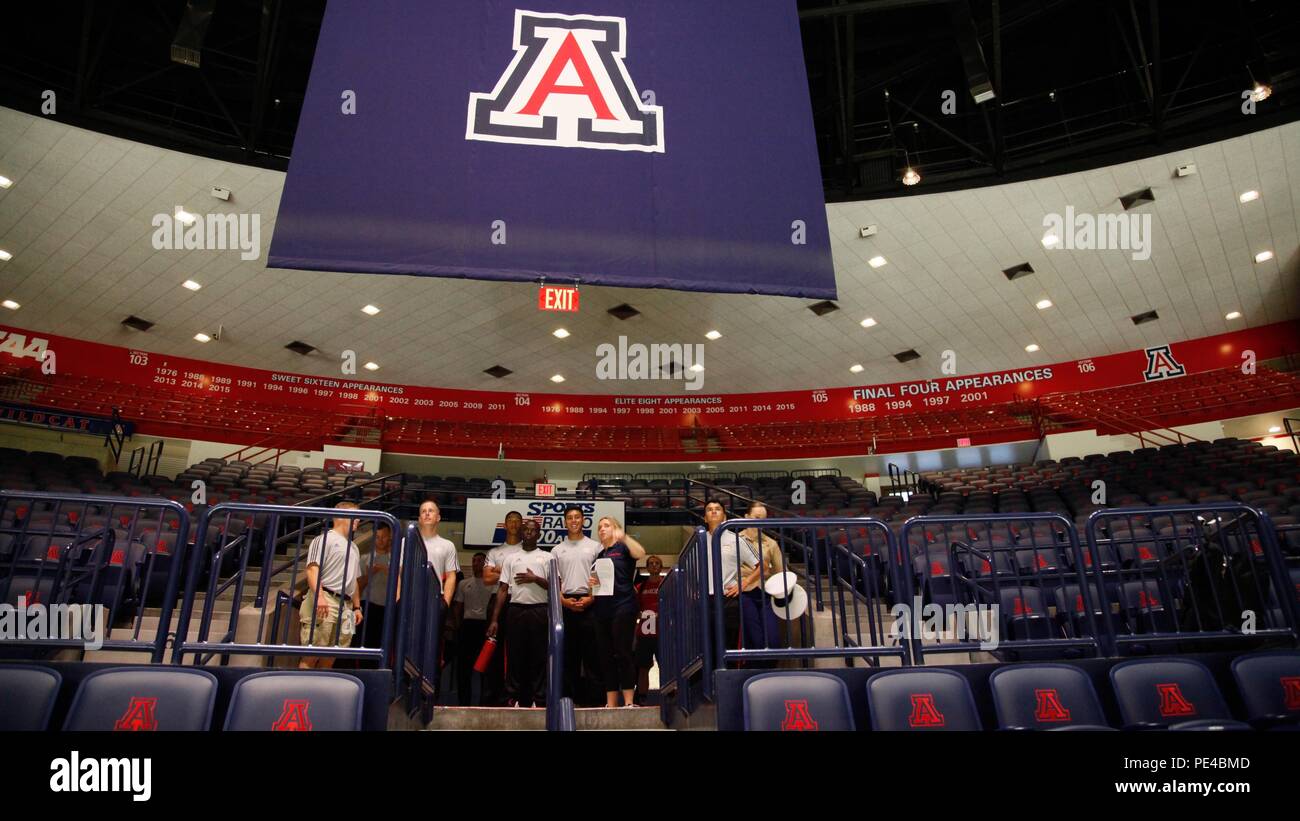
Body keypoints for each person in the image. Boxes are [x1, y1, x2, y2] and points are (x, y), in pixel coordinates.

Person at [487, 519, 553, 708]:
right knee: (515, 657)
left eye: (533, 530)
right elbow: (502, 589)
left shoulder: (547, 558)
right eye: (526, 530)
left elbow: (554, 587)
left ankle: (538, 699)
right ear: (522, 533)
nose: (529, 533)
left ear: (539, 534)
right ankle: (514, 698)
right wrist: (494, 619)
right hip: (516, 610)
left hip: (540, 610)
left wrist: (535, 579)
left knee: (539, 657)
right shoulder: (511, 558)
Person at [590, 515, 646, 707]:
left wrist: (625, 537)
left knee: (622, 653)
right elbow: (598, 584)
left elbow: (641, 553)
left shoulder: (623, 548)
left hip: (623, 606)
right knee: (605, 656)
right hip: (601, 609)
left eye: (607, 525)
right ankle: (611, 702)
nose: (602, 529)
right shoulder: (599, 556)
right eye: (600, 527)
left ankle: (629, 701)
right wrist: (593, 583)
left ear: (616, 529)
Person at [300, 502, 364, 669]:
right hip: (327, 599)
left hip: (347, 605)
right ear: (341, 516)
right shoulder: (323, 540)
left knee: (333, 655)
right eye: (354, 515)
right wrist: (320, 596)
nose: (358, 519)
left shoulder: (354, 547)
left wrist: (357, 607)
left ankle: (321, 692)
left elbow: (354, 580)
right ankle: (303, 691)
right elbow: (312, 570)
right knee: (312, 653)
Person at [551, 504, 601, 706]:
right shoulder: (556, 550)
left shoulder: (595, 547)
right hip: (566, 603)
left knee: (592, 655)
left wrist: (592, 598)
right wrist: (563, 601)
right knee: (569, 656)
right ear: (565, 522)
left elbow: (601, 577)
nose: (573, 520)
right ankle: (569, 700)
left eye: (577, 517)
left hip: (590, 602)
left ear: (583, 520)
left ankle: (594, 701)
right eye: (570, 517)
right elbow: (555, 581)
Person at [482, 510, 524, 705]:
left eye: (517, 521)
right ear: (505, 525)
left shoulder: (528, 550)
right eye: (510, 520)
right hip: (496, 602)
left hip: (518, 602)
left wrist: (499, 570)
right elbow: (487, 578)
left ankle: (514, 696)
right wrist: (509, 571)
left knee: (517, 649)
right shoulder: (494, 552)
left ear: (522, 525)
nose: (514, 524)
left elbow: (523, 577)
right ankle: (492, 696)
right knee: (494, 649)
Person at [702, 498, 751, 651]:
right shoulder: (699, 540)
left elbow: (761, 566)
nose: (713, 511)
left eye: (717, 508)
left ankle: (728, 674)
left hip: (728, 598)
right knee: (706, 645)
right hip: (704, 599)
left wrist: (743, 584)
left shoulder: (736, 540)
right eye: (709, 509)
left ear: (725, 517)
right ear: (705, 517)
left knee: (728, 643)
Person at [739, 502, 784, 662]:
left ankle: (769, 672)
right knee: (754, 638)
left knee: (773, 640)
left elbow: (781, 573)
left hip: (766, 595)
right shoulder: (735, 541)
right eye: (756, 517)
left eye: (763, 519)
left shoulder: (771, 543)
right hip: (744, 594)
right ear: (746, 517)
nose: (760, 522)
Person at [451, 552, 493, 705]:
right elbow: (457, 607)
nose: (476, 563)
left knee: (486, 667)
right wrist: (458, 626)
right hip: (467, 626)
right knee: (464, 669)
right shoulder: (464, 584)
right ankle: (464, 702)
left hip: (485, 627)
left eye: (480, 560)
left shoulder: (492, 584)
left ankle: (485, 703)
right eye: (474, 560)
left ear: (485, 563)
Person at [356, 523, 394, 668]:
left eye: (384, 537)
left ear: (389, 537)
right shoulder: (364, 558)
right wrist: (370, 574)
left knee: (384, 645)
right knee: (366, 645)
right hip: (368, 606)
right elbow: (357, 585)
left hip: (387, 607)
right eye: (377, 537)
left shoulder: (395, 559)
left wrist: (387, 570)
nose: (381, 540)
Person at [634, 554, 665, 703]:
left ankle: (667, 694)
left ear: (661, 567)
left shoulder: (667, 585)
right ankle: (642, 697)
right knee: (643, 667)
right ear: (647, 567)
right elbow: (635, 608)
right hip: (645, 633)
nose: (654, 565)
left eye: (657, 563)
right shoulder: (640, 587)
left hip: (663, 632)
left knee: (665, 665)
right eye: (651, 563)